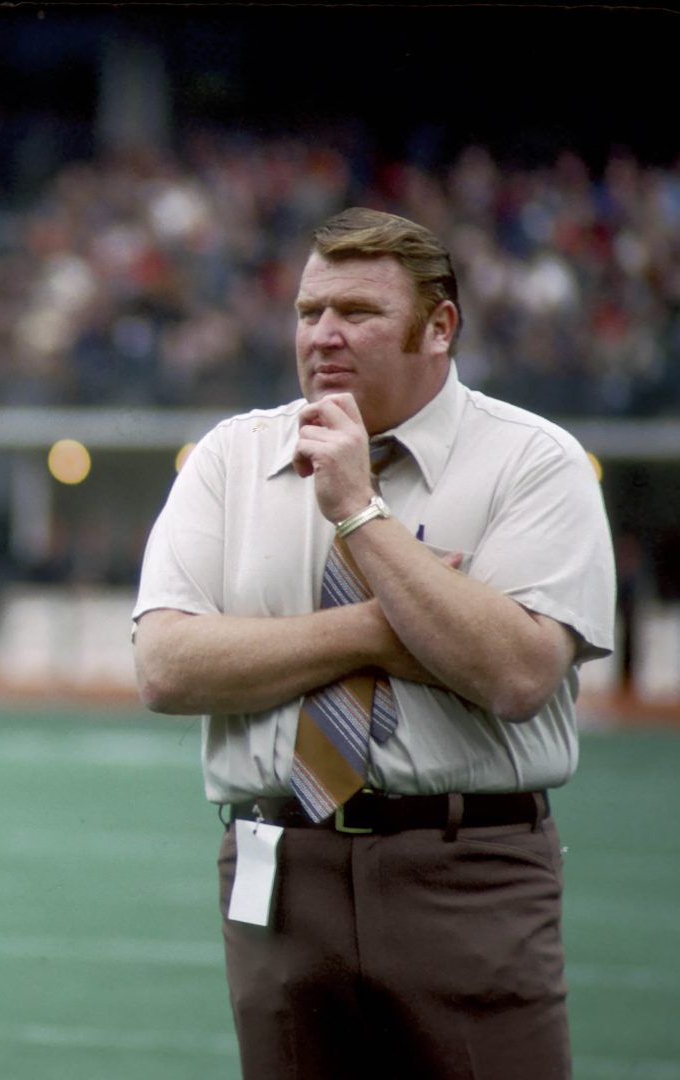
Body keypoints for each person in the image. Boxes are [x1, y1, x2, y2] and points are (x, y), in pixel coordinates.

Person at [132, 207, 615, 1080]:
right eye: (308, 312)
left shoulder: (534, 462)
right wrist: (383, 628)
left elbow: (515, 674)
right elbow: (166, 666)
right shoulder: (229, 458)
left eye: (356, 313)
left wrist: (358, 510)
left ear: (439, 327)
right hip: (277, 867)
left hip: (468, 869)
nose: (323, 335)